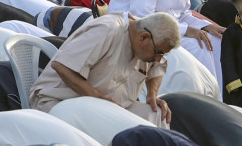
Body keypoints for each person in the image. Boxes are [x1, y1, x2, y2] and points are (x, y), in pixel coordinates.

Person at [29, 11, 180, 127]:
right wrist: (100, 100)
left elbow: (157, 68)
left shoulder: (147, 43)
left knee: (157, 114)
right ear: (144, 37)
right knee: (114, 131)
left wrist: (152, 96)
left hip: (111, 109)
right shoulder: (108, 29)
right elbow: (62, 66)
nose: (158, 58)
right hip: (61, 101)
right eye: (158, 53)